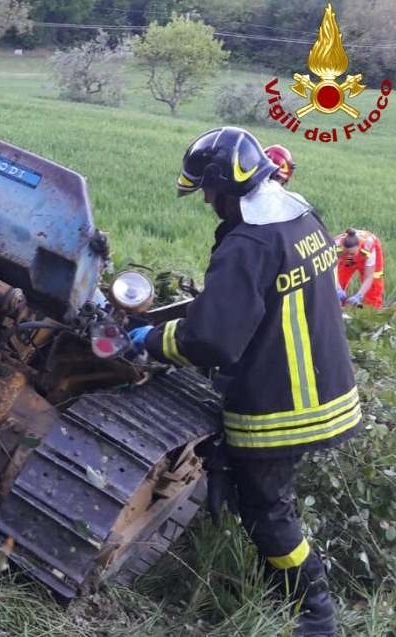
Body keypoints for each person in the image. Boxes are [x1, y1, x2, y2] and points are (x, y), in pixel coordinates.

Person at [128, 127, 360, 636]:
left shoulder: (248, 244)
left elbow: (210, 342)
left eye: (209, 191)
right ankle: (258, 574)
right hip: (327, 386)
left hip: (284, 405)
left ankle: (315, 614)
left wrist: (146, 339)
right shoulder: (299, 215)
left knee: (268, 511)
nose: (207, 200)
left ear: (227, 187)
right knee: (248, 491)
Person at [335, 228, 384, 309]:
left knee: (374, 284)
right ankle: (339, 307)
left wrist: (359, 295)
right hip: (345, 256)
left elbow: (369, 276)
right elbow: (332, 272)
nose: (350, 256)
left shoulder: (368, 246)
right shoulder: (335, 246)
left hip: (365, 255)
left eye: (352, 253)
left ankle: (373, 311)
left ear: (359, 247)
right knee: (338, 281)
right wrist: (338, 288)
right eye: (347, 252)